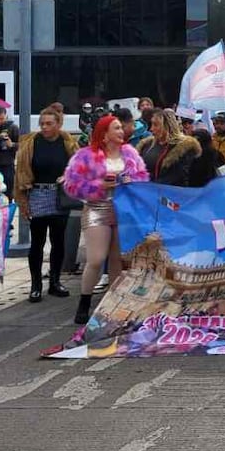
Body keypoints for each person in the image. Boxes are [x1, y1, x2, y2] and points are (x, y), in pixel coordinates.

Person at [62, 116, 149, 324]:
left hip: (123, 210)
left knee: (117, 259)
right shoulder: (85, 155)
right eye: (116, 128)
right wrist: (99, 185)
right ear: (105, 133)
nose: (122, 131)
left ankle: (113, 304)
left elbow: (143, 177)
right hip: (96, 208)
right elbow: (71, 185)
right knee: (96, 259)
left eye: (121, 128)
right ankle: (84, 302)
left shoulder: (130, 153)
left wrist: (131, 181)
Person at [13, 108, 77, 303]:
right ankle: (35, 285)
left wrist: (68, 175)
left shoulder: (68, 142)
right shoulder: (31, 142)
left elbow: (78, 165)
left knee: (58, 241)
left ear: (58, 124)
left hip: (60, 194)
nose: (45, 127)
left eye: (49, 124)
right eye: (42, 123)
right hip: (37, 193)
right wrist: (23, 200)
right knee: (37, 242)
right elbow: (21, 172)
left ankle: (55, 281)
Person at [137, 109, 200, 186]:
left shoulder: (183, 148)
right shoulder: (147, 144)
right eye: (151, 124)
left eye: (155, 125)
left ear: (167, 126)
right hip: (147, 192)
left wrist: (147, 187)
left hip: (170, 194)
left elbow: (175, 177)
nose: (151, 129)